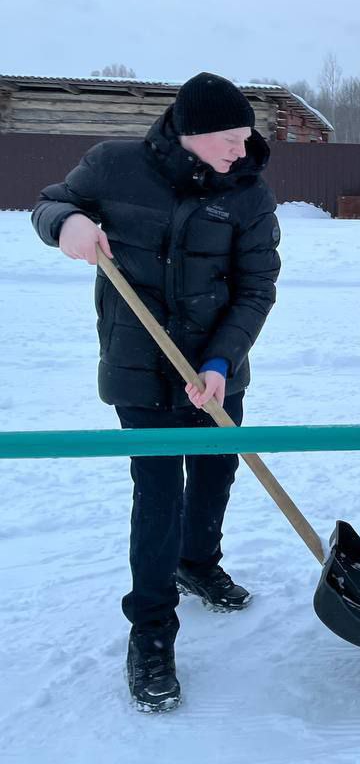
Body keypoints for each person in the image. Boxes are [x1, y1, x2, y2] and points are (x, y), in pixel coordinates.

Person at [32, 71, 281, 712]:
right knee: (159, 496)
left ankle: (198, 562)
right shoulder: (114, 167)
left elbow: (256, 289)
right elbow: (50, 202)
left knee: (216, 472)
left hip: (217, 372)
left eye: (246, 136)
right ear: (191, 133)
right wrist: (67, 225)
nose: (240, 149)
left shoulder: (249, 194)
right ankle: (151, 636)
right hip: (140, 371)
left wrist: (223, 362)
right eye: (228, 139)